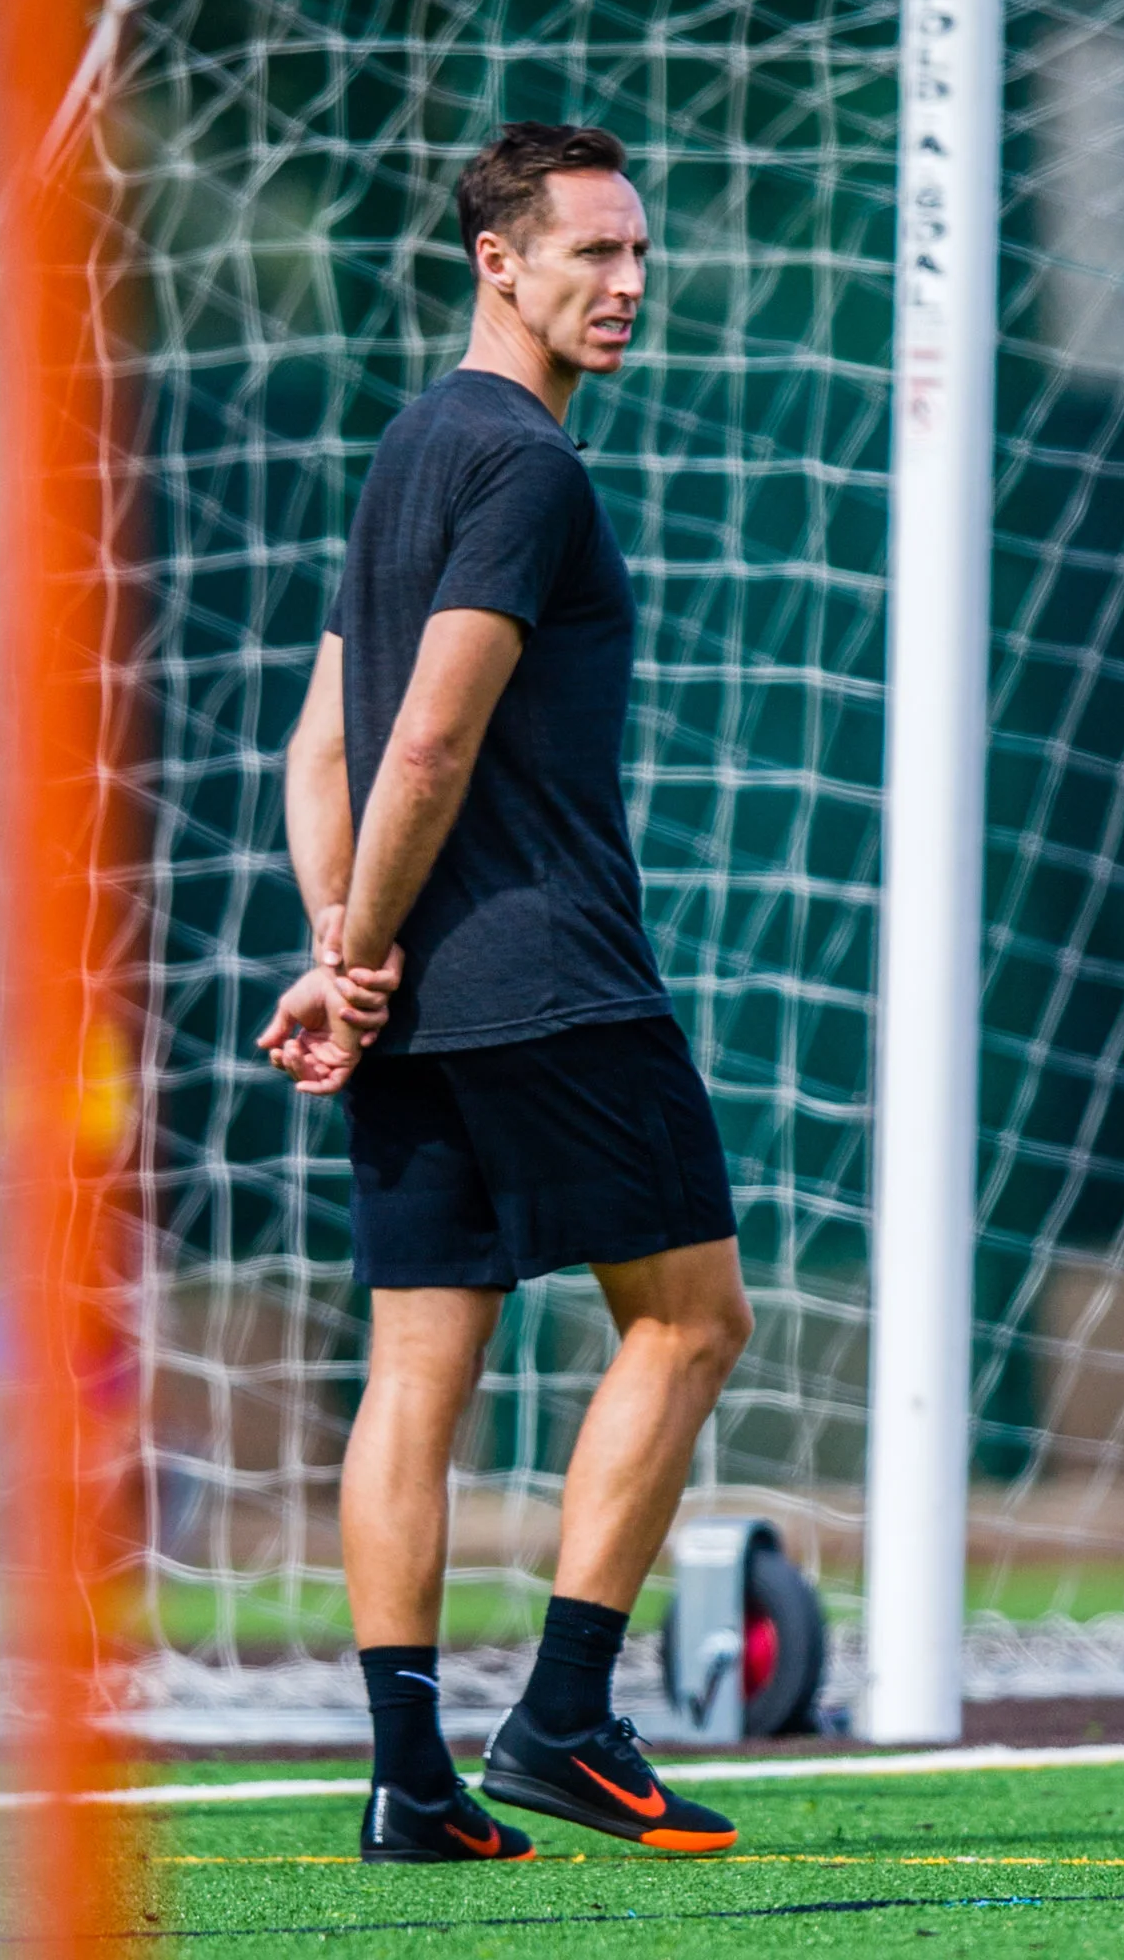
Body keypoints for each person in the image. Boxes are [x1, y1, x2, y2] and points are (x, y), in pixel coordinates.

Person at [260, 124, 753, 1864]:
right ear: (499, 260)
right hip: (546, 972)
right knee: (692, 1322)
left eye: (640, 254)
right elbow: (423, 741)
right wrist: (360, 949)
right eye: (593, 254)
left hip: (408, 1000)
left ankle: (410, 1781)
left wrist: (345, 953)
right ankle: (561, 1720)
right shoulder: (527, 464)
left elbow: (317, 747)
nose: (627, 285)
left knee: (418, 1363)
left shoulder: (411, 446)